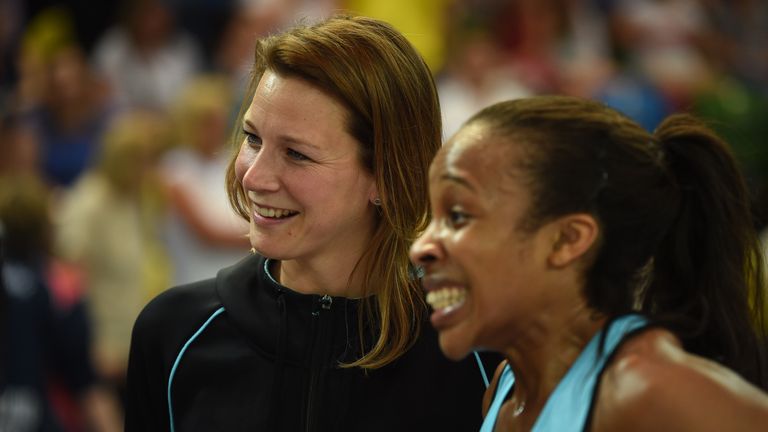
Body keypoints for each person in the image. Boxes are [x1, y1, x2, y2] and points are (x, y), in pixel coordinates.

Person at [125, 14, 497, 431]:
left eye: (296, 154)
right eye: (253, 138)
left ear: (388, 178)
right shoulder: (175, 334)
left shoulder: (475, 357)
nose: (253, 176)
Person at [410, 95, 768, 431]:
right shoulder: (504, 390)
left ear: (567, 239)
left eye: (457, 216)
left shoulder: (646, 391)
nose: (421, 247)